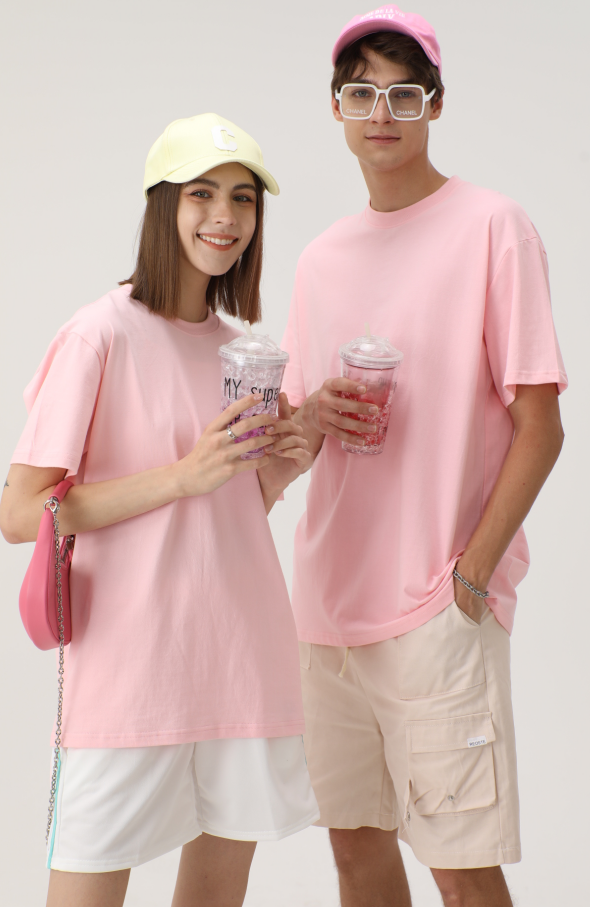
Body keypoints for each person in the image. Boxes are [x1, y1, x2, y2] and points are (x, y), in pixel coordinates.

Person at [260, 7, 567, 907]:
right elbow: (298, 438)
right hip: (327, 612)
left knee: (462, 871)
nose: (381, 113)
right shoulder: (321, 259)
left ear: (435, 104)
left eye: (403, 94)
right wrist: (307, 417)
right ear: (336, 108)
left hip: (437, 605)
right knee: (357, 857)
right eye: (362, 94)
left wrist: (470, 575)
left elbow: (542, 424)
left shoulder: (494, 227)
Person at [0, 112, 319, 907]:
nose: (225, 216)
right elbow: (21, 511)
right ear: (162, 204)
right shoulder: (98, 334)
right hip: (133, 674)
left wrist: (281, 466)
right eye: (202, 193)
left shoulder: (243, 352)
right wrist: (180, 475)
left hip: (240, 660)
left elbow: (222, 513)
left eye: (243, 198)